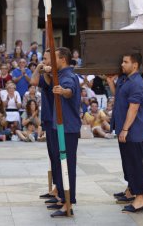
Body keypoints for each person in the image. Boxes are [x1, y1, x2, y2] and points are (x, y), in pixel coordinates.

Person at [107, 52, 143, 213]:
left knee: (135, 164)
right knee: (128, 164)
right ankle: (132, 192)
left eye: (125, 62)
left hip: (133, 131)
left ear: (135, 65)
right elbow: (120, 96)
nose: (122, 64)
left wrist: (125, 129)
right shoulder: (125, 79)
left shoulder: (137, 82)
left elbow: (134, 107)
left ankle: (140, 198)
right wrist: (111, 82)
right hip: (125, 130)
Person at [49, 47, 81, 218]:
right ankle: (63, 198)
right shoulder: (61, 73)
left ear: (62, 59)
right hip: (60, 126)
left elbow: (69, 91)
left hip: (67, 128)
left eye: (54, 58)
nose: (53, 61)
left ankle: (68, 202)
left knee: (67, 167)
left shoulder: (68, 76)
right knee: (61, 166)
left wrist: (63, 91)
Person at [30, 49, 58, 200]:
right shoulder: (46, 73)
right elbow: (33, 81)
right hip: (48, 119)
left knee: (57, 155)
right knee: (52, 155)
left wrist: (49, 71)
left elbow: (52, 81)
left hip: (57, 121)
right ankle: (56, 188)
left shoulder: (57, 74)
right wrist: (40, 66)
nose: (44, 61)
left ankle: (59, 188)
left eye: (46, 58)